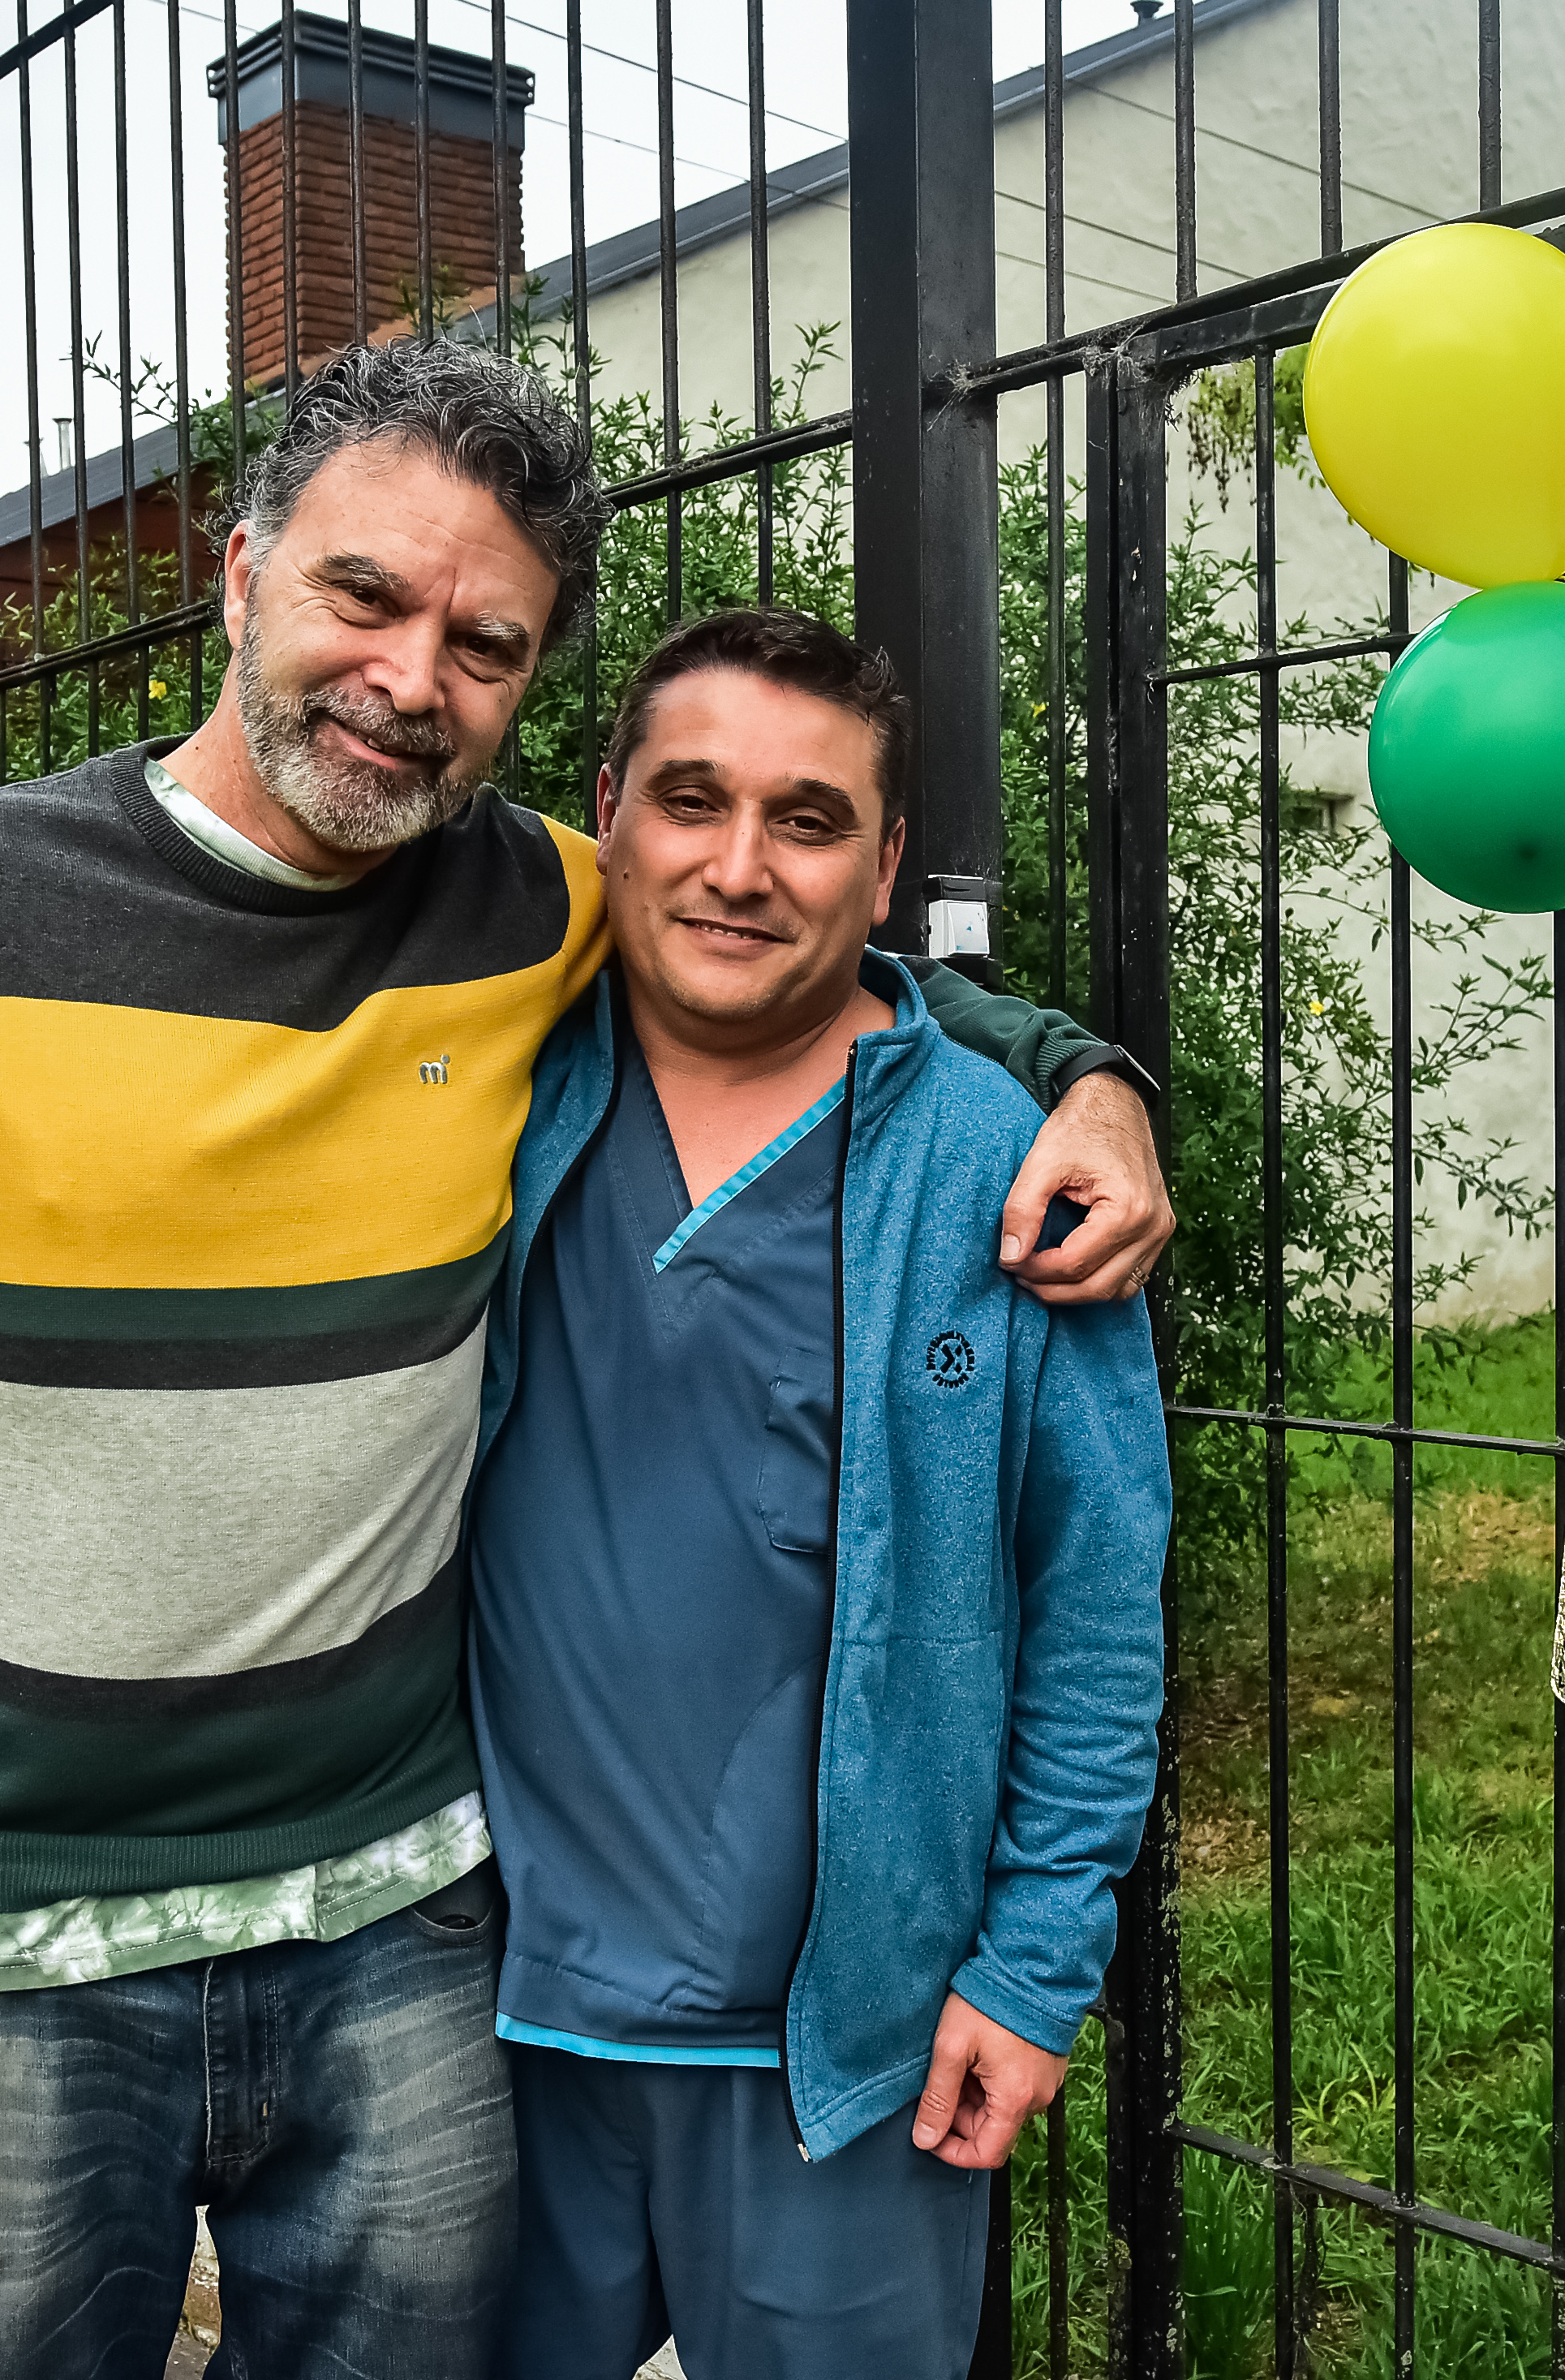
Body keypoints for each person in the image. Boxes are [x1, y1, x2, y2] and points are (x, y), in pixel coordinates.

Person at [0, 335, 1172, 2378]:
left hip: (398, 1923)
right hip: (5, 1945)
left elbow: (826, 968)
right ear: (241, 579)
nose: (408, 676)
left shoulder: (532, 910)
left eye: (485, 642)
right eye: (363, 597)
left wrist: (1089, 1078)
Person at [472, 605, 1167, 2378]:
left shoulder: (1002, 1170)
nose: (735, 867)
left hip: (846, 2052)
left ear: (882, 872)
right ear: (606, 816)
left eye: (807, 820)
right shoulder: (475, 1082)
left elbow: (1095, 1604)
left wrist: (1032, 1965)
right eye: (690, 802)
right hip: (485, 2013)